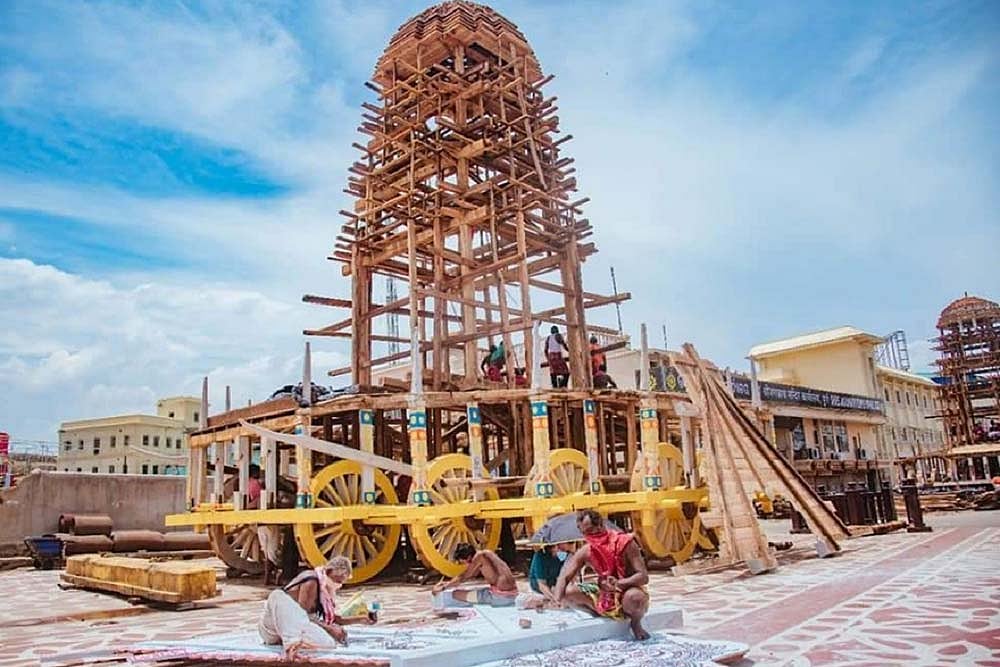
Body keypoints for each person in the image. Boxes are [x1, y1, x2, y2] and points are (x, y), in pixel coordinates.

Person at [553, 510, 650, 640]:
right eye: (584, 533)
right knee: (569, 591)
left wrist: (619, 583)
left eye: (591, 530)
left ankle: (635, 623)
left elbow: (643, 576)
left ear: (600, 525)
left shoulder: (625, 543)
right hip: (605, 592)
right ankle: (600, 612)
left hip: (627, 590)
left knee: (635, 597)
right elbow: (564, 577)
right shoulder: (587, 551)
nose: (589, 535)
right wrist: (557, 600)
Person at [258, 556, 372, 659]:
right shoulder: (311, 581)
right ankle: (291, 646)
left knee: (329, 644)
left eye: (342, 582)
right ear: (329, 572)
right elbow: (303, 617)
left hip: (297, 629)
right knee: (277, 595)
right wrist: (330, 628)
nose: (339, 585)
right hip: (274, 628)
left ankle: (295, 644)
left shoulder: (325, 589)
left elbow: (333, 619)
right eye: (338, 580)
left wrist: (362, 619)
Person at [432, 543, 519, 607]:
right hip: (513, 594)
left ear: (469, 557)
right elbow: (473, 574)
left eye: (463, 562)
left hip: (500, 598)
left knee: (456, 594)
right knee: (476, 591)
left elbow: (463, 577)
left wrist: (444, 587)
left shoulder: (479, 557)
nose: (466, 565)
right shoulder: (487, 554)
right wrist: (448, 583)